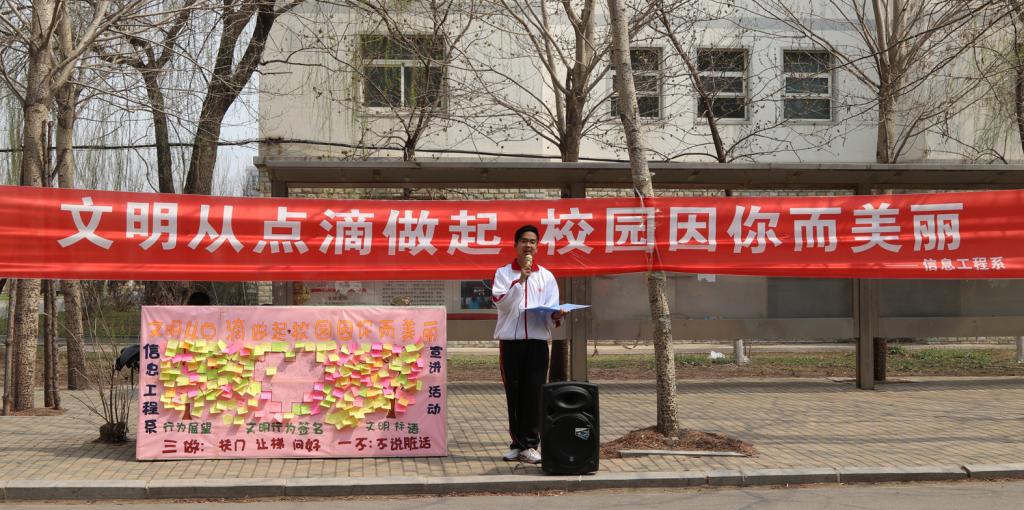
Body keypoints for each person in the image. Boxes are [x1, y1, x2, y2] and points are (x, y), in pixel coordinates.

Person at [491, 224, 565, 464]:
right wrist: (520, 280)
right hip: (511, 343)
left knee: (534, 393)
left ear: (537, 246)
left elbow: (551, 310)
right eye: (524, 241)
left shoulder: (546, 276)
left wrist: (556, 314)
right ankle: (517, 444)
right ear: (516, 245)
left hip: (537, 343)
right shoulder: (504, 273)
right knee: (514, 393)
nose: (528, 245)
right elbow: (501, 302)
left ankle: (531, 445)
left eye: (532, 241)